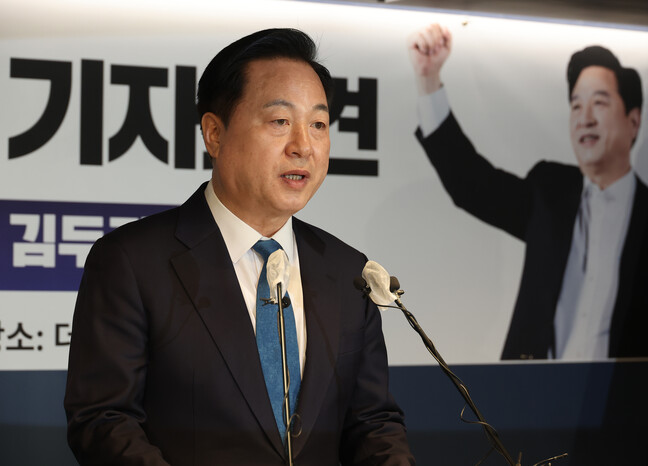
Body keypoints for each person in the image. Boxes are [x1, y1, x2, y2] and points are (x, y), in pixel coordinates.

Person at [65, 28, 414, 465]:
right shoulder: (132, 261)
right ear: (214, 133)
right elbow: (103, 421)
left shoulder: (347, 271)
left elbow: (373, 423)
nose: (303, 146)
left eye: (319, 125)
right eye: (280, 122)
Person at [408, 24, 648, 361]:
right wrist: (428, 81)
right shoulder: (550, 192)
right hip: (534, 390)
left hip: (623, 396)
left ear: (633, 121)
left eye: (599, 103)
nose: (585, 118)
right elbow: (471, 184)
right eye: (576, 105)